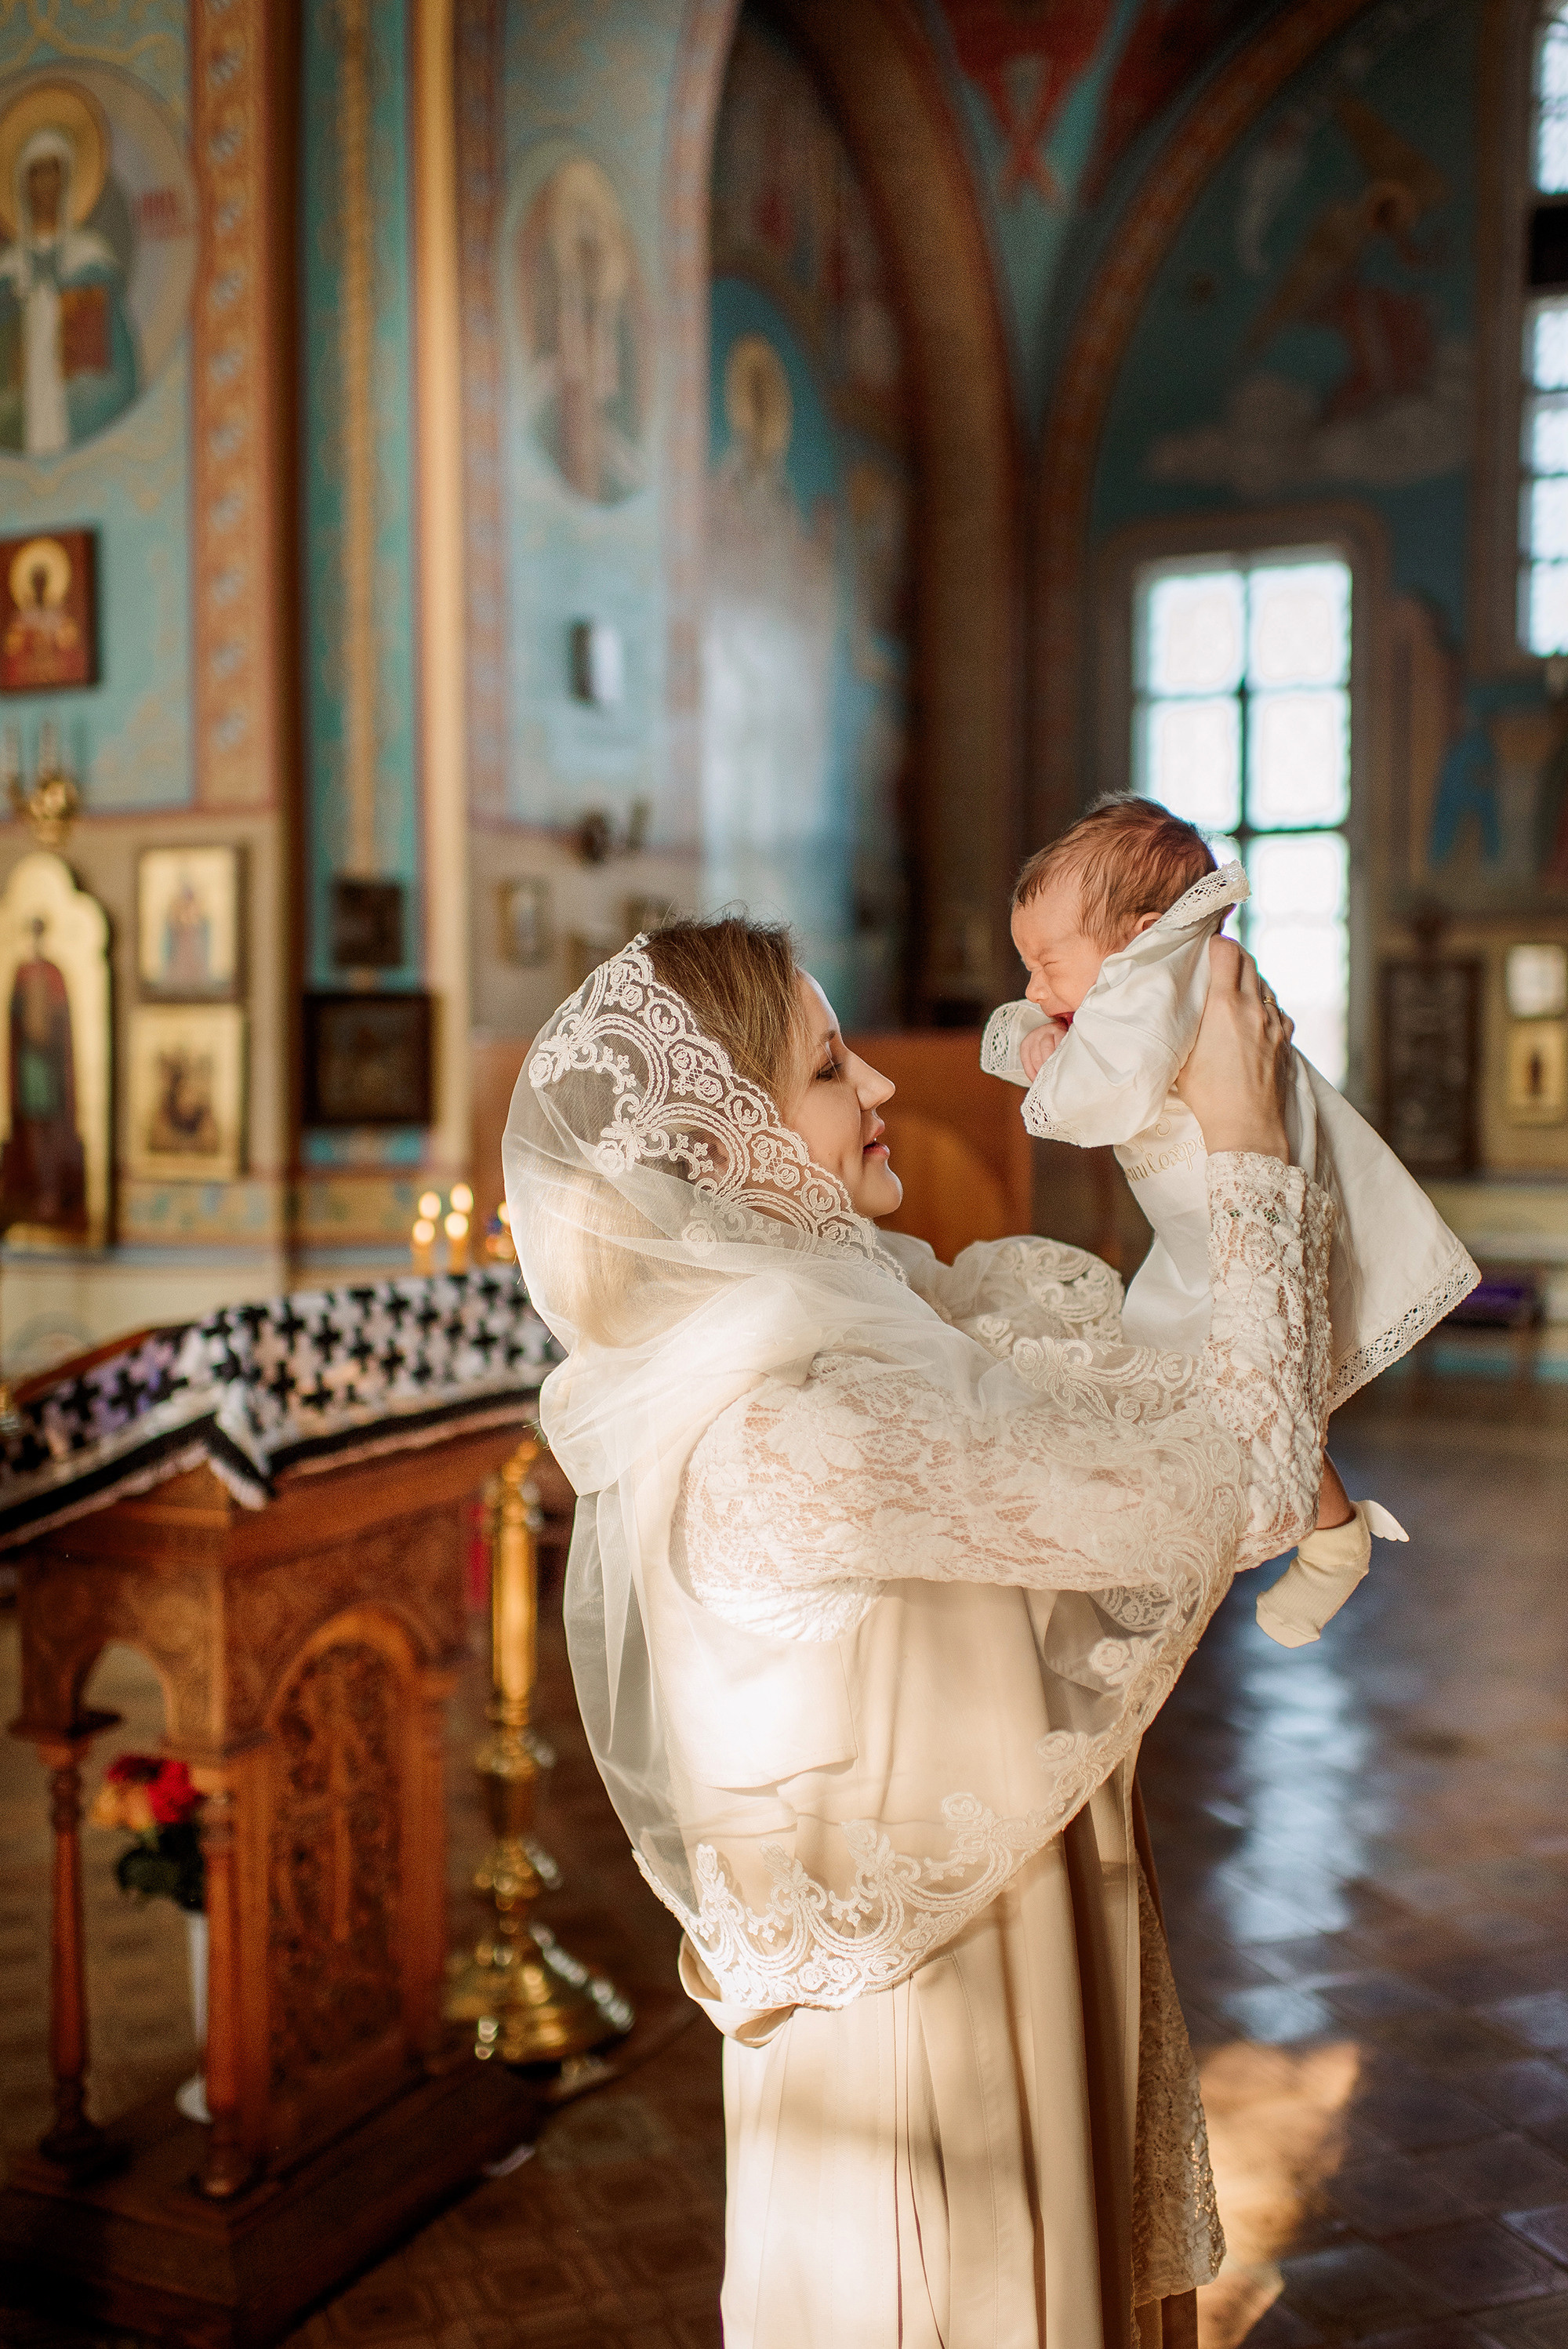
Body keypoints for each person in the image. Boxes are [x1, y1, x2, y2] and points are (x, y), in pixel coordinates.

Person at [505, 913, 1334, 2347]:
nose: (882, 1087)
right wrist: (1246, 1135)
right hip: (931, 2063)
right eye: (832, 1068)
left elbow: (1180, 1389)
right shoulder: (788, 1426)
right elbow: (1238, 1474)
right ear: (726, 1155)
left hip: (1019, 1957)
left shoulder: (873, 1332)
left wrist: (1162, 1109)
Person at [982, 797, 1477, 1647]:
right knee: (1228, 1395)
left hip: (1241, 1230)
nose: (1032, 986)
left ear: (1137, 935)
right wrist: (1039, 1028)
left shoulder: (1161, 975)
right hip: (1208, 1236)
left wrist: (1044, 1052)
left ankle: (1305, 1536)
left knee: (1232, 1394)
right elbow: (1014, 1039)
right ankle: (1319, 1534)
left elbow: (1095, 1101)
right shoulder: (1156, 976)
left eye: (1046, 963)